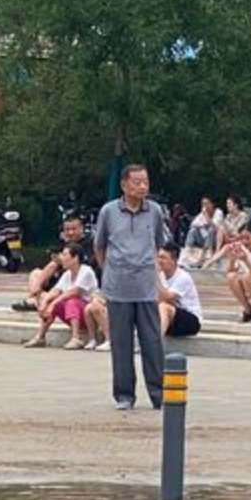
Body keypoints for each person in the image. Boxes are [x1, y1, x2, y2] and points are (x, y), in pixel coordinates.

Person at [95, 163, 166, 411]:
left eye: (145, 182)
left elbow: (158, 244)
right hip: (118, 287)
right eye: (137, 182)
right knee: (121, 343)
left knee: (152, 342)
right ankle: (124, 395)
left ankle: (159, 394)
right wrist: (110, 271)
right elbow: (100, 246)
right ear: (124, 185)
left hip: (145, 287)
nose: (142, 187)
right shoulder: (109, 212)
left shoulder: (155, 211)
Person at [22, 243, 99, 350]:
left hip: (88, 315)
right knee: (51, 301)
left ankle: (76, 338)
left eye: (65, 254)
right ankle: (40, 336)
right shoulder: (67, 274)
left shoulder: (86, 271)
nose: (62, 258)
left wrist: (53, 304)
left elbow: (74, 292)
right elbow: (56, 290)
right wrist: (45, 303)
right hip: (73, 315)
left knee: (71, 301)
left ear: (75, 257)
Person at [13, 215, 93, 312]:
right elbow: (52, 264)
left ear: (81, 228)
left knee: (54, 266)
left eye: (74, 229)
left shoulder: (90, 244)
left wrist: (62, 261)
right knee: (36, 273)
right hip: (60, 279)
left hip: (76, 283)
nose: (70, 233)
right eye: (67, 229)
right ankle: (34, 298)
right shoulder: (64, 244)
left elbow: (86, 266)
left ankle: (39, 299)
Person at [157, 243, 203, 337]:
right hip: (171, 318)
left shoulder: (183, 277)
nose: (159, 261)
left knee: (164, 306)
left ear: (174, 260)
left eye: (163, 258)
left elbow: (167, 297)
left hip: (191, 320)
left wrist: (153, 276)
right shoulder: (160, 276)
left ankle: (155, 345)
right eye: (158, 257)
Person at [202, 194, 251, 269]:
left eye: (229, 203)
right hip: (228, 238)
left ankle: (212, 259)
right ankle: (217, 251)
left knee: (223, 234)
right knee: (220, 228)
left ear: (236, 205)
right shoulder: (228, 216)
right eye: (227, 203)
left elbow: (240, 232)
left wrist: (228, 234)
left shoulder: (243, 216)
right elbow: (223, 228)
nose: (227, 206)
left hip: (238, 239)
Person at [179, 196, 224, 269]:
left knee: (211, 229)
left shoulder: (218, 212)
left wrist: (207, 218)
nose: (204, 206)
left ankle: (208, 254)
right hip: (203, 237)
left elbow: (216, 227)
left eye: (206, 203)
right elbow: (193, 224)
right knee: (192, 231)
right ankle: (185, 255)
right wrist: (201, 225)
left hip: (215, 238)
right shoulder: (202, 213)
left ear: (212, 204)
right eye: (203, 204)